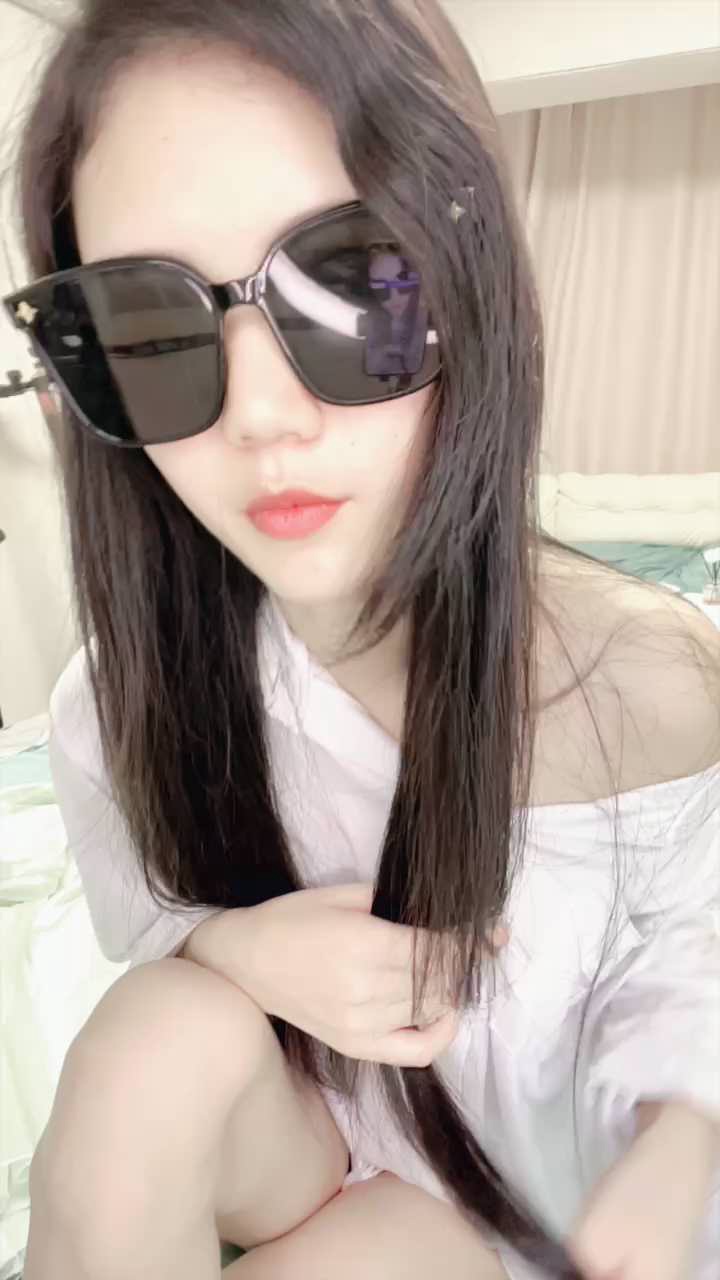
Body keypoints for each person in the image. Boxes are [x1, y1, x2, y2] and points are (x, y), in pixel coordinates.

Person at [6, 3, 718, 1279]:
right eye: (150, 329)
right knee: (149, 1036)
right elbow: (159, 931)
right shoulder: (121, 705)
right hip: (340, 1166)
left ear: (472, 281)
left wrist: (680, 1146)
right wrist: (233, 942)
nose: (259, 415)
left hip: (564, 1230)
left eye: (351, 281)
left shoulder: (662, 692)